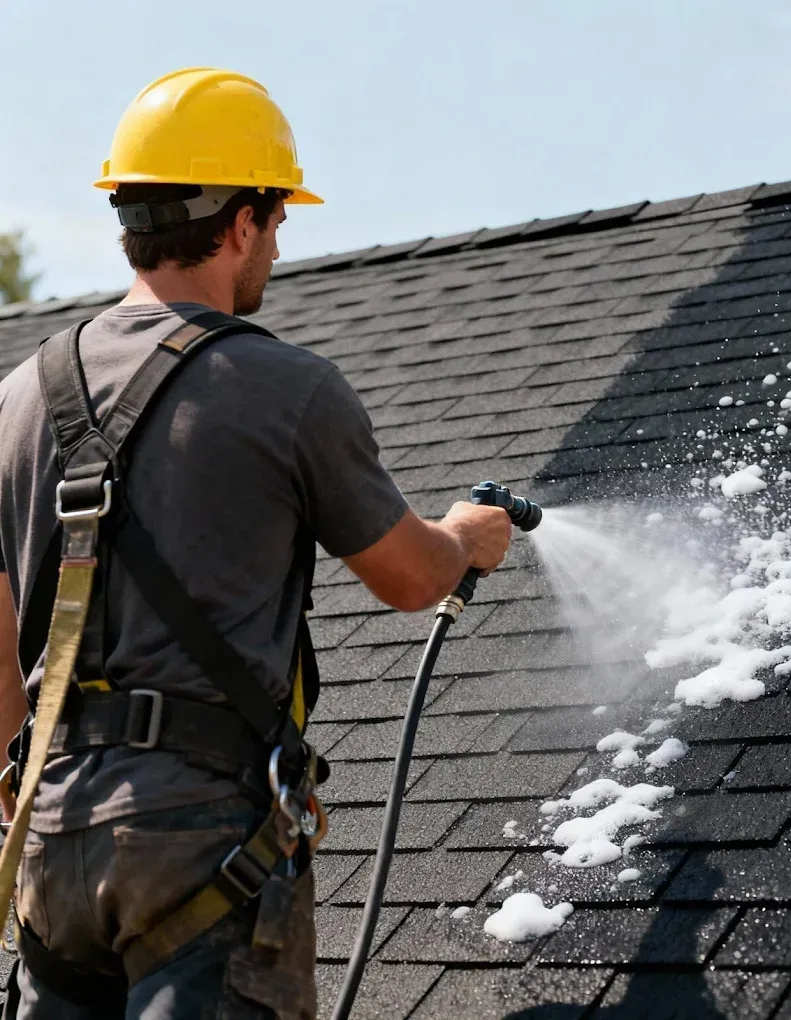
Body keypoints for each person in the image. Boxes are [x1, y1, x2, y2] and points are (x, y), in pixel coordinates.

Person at [0, 67, 511, 1019]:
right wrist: (464, 536)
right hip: (200, 843)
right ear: (242, 220)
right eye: (276, 223)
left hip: (49, 844)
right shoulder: (285, 387)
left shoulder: (18, 398)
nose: (275, 246)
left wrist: (31, 817)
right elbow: (407, 578)